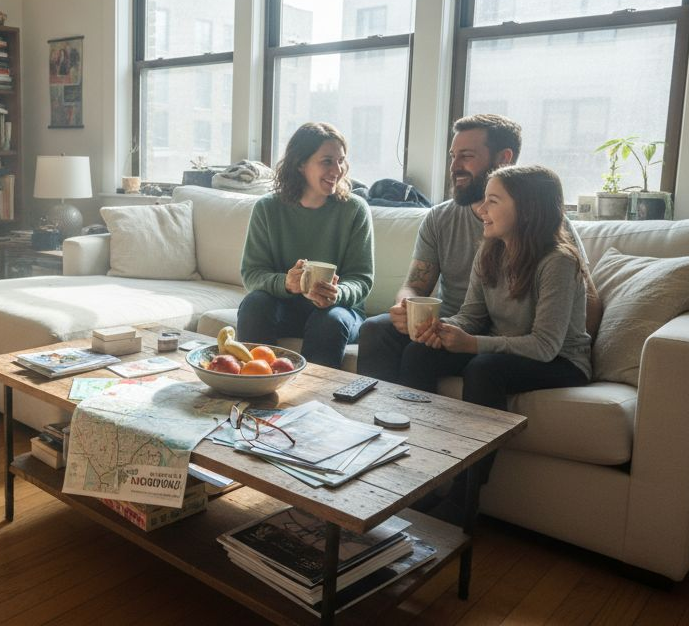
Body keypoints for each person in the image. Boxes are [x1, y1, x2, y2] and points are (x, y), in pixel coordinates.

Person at [399, 165, 593, 521]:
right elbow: (471, 317)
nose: (480, 209)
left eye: (492, 201)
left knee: (484, 368)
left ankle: (463, 500)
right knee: (418, 353)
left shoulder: (558, 262)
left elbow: (545, 345)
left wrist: (472, 344)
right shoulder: (490, 250)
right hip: (509, 348)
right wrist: (440, 329)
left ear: (527, 209)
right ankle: (418, 477)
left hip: (563, 361)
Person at [355, 114, 597, 380]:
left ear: (503, 158)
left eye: (466, 156)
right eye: (452, 156)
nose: (454, 166)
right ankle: (378, 417)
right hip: (462, 324)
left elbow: (586, 302)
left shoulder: (550, 231)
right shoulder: (449, 224)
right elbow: (416, 286)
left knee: (481, 368)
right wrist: (408, 311)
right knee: (378, 330)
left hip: (519, 341)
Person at [237, 123, 374, 370]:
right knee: (255, 304)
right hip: (285, 308)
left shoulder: (355, 210)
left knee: (329, 320)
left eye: (341, 161)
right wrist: (286, 284)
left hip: (340, 310)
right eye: (327, 161)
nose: (338, 170)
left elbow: (362, 280)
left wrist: (337, 294)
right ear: (300, 164)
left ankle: (314, 402)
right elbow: (252, 274)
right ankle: (250, 384)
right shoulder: (268, 209)